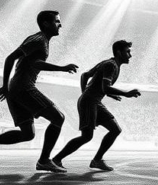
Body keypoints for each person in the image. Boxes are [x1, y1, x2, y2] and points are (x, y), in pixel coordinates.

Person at [0, 10, 78, 173]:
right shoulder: (38, 40)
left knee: (28, 134)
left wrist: (8, 87)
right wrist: (5, 86)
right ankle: (44, 160)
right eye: (57, 21)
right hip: (23, 88)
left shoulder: (42, 41)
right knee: (58, 118)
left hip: (17, 89)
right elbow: (10, 57)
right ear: (45, 24)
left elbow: (35, 63)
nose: (60, 24)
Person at [52, 40, 141, 171]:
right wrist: (125, 93)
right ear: (118, 52)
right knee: (86, 136)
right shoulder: (111, 65)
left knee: (115, 129)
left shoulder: (108, 63)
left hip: (93, 101)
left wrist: (86, 94)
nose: (130, 55)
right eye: (127, 52)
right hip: (90, 102)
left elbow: (85, 75)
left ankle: (97, 160)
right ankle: (56, 160)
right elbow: (105, 88)